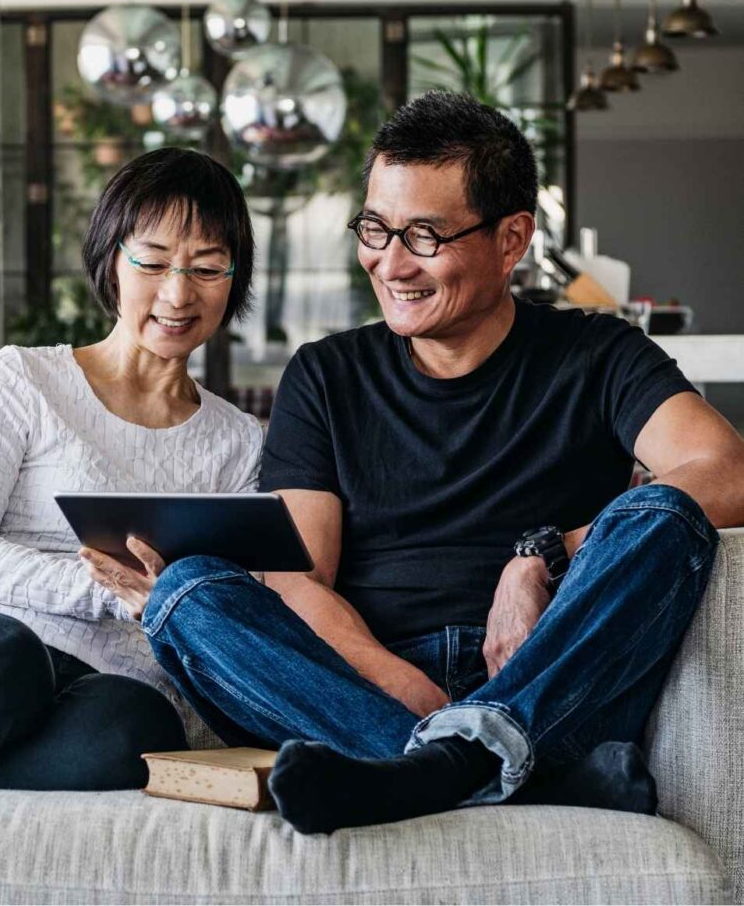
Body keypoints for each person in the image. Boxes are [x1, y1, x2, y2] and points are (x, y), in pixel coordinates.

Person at [87, 93, 744, 833]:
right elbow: (301, 579)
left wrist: (540, 557)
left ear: (510, 239)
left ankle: (431, 770)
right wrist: (399, 683)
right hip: (369, 682)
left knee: (660, 512)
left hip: (553, 670)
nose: (389, 263)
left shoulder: (597, 354)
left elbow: (723, 471)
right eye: (374, 228)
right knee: (187, 592)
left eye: (424, 235)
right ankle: (500, 767)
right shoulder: (326, 374)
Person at [0, 147, 262, 790]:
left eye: (207, 268)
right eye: (153, 261)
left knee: (135, 728)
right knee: (5, 657)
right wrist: (112, 592)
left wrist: (176, 603)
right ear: (113, 259)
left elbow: (222, 602)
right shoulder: (22, 378)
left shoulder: (239, 443)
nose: (177, 292)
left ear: (234, 278)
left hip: (88, 688)